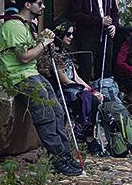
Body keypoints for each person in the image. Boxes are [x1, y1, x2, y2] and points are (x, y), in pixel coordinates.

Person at [0, 0, 81, 176]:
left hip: (31, 73)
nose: (42, 8)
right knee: (45, 113)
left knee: (57, 110)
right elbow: (24, 57)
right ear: (27, 5)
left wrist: (40, 39)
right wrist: (43, 43)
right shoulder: (13, 27)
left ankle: (64, 153)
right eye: (39, 4)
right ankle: (57, 156)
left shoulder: (26, 25)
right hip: (17, 76)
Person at [41, 20, 105, 156]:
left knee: (96, 99)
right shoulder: (52, 54)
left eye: (72, 34)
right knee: (89, 99)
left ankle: (88, 135)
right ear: (60, 34)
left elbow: (76, 77)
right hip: (62, 90)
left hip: (74, 87)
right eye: (68, 34)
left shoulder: (65, 51)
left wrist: (92, 90)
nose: (71, 37)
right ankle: (83, 133)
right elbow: (65, 80)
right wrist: (85, 90)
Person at [69, 0, 119, 82]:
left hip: (106, 34)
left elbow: (114, 12)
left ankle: (104, 94)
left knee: (105, 67)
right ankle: (85, 96)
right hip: (87, 36)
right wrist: (99, 21)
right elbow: (75, 14)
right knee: (85, 67)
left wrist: (114, 25)